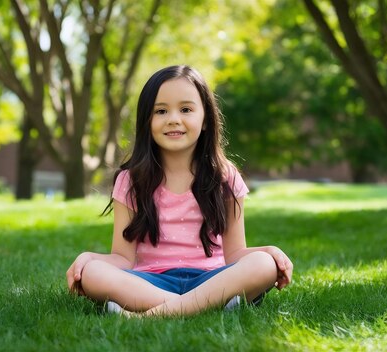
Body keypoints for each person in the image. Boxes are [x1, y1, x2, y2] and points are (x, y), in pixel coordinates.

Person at [66, 65, 293, 317]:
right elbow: (122, 258)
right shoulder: (131, 180)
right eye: (161, 111)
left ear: (205, 119)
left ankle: (149, 316)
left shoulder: (225, 177)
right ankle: (203, 307)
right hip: (150, 283)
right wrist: (88, 258)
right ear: (147, 121)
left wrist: (269, 252)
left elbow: (235, 254)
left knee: (263, 265)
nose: (174, 118)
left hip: (212, 279)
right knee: (93, 273)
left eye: (185, 109)